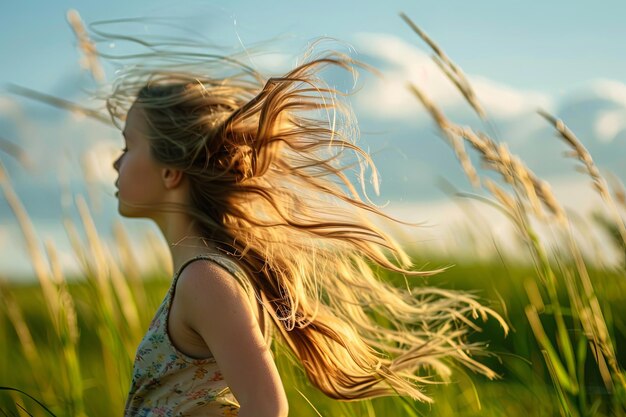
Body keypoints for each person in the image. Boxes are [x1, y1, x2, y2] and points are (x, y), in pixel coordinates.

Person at [103, 22, 506, 417]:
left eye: (128, 145)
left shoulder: (205, 280)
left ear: (170, 171)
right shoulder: (203, 277)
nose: (116, 161)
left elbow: (268, 408)